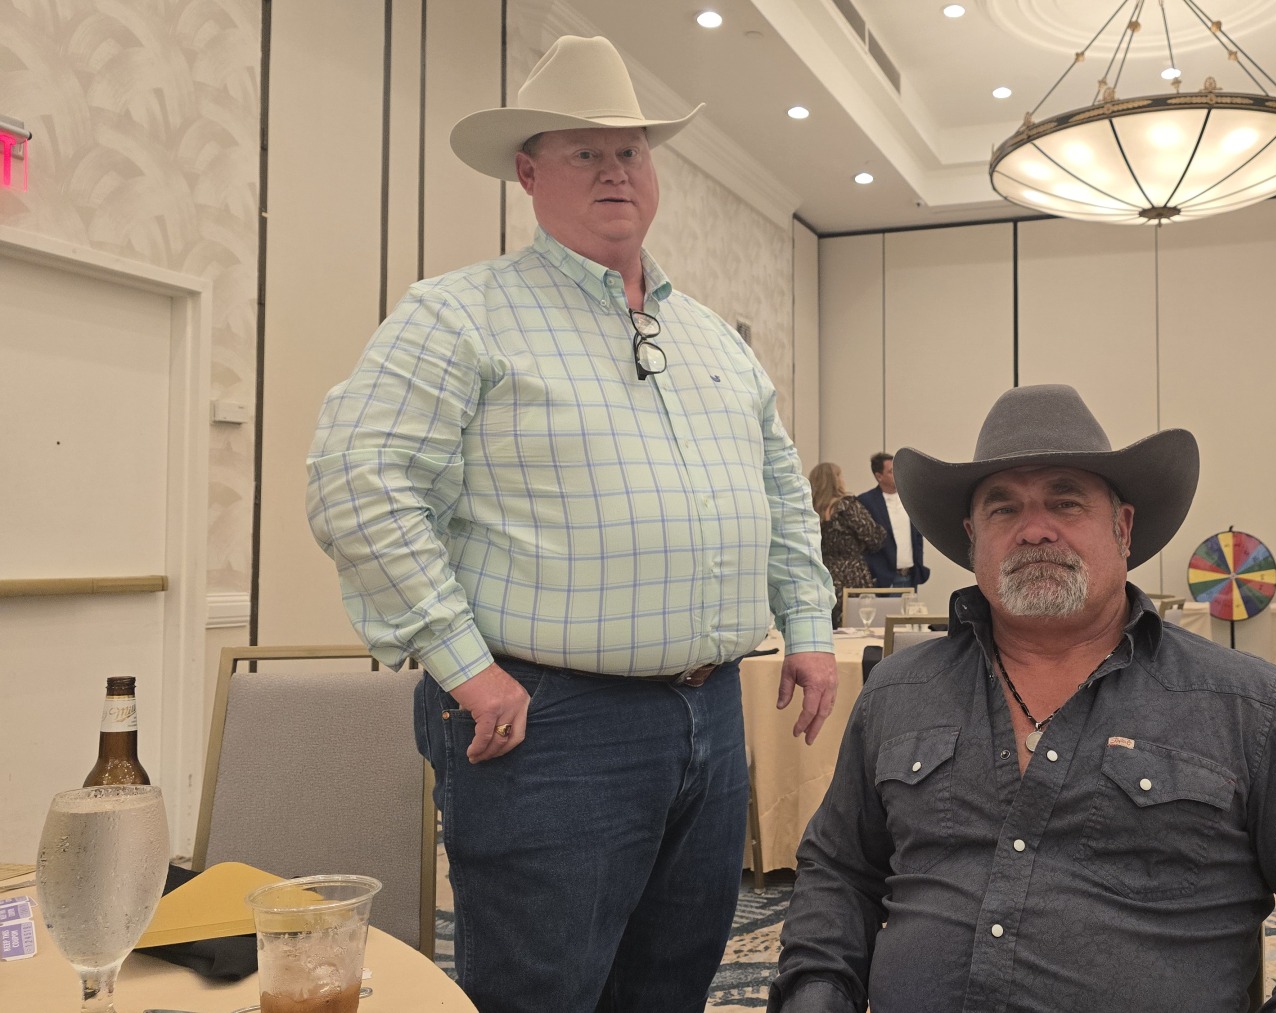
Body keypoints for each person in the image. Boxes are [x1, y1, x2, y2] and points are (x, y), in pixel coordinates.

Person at [306, 36, 840, 1013]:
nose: (615, 171)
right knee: (543, 991)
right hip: (550, 723)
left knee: (672, 982)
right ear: (527, 172)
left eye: (630, 150)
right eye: (584, 151)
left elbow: (779, 490)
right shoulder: (459, 315)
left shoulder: (712, 337)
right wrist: (464, 664)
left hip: (714, 712)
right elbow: (357, 483)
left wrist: (807, 623)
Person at [772, 385, 1276, 1012]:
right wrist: (815, 995)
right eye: (1004, 508)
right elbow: (839, 872)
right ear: (973, 537)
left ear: (1123, 527)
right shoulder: (899, 692)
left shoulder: (1249, 707)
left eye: (1065, 503)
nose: (1034, 530)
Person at [809, 462, 888, 627]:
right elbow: (874, 537)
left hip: (822, 575)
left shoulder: (811, 509)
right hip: (852, 574)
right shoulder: (847, 505)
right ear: (835, 480)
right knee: (858, 626)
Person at [858, 451, 931, 589]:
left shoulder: (909, 498)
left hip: (910, 576)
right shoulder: (866, 502)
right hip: (882, 579)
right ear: (879, 476)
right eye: (891, 471)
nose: (896, 474)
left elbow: (917, 536)